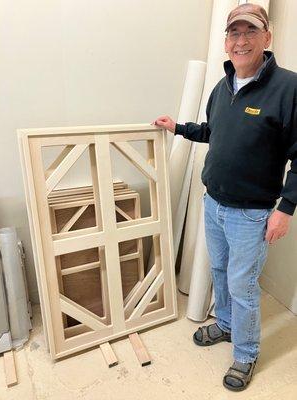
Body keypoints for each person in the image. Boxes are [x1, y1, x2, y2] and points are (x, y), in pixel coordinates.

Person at [154, 3, 297, 392]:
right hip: (214, 203)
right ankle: (229, 325)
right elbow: (213, 133)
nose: (241, 40)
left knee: (243, 284)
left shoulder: (289, 87)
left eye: (250, 31)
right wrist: (179, 128)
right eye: (234, 33)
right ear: (226, 42)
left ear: (267, 38)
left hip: (251, 214)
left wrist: (285, 208)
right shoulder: (222, 86)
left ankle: (246, 353)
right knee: (220, 273)